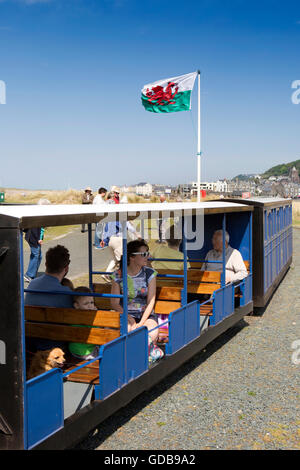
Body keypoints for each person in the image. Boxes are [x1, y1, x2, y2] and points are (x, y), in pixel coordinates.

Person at [110, 240, 164, 362]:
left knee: (151, 331)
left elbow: (151, 301)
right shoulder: (118, 275)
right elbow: (114, 303)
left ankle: (137, 357)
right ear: (132, 257)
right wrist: (129, 318)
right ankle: (142, 355)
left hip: (146, 315)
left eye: (147, 253)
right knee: (126, 331)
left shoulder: (150, 274)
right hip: (126, 315)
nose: (148, 257)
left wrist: (141, 323)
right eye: (144, 254)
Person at [25, 245, 73, 351]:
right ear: (66, 268)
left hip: (30, 342)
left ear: (46, 264)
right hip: (55, 346)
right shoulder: (66, 293)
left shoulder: (32, 285)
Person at [68, 286, 100, 361]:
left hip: (73, 351)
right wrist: (96, 315)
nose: (90, 306)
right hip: (87, 353)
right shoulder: (88, 318)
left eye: (92, 302)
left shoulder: (71, 315)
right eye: (86, 304)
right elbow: (98, 334)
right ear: (76, 305)